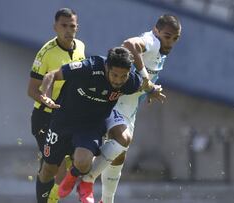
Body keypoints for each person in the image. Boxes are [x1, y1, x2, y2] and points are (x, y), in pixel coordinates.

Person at [74, 14, 182, 203]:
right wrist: (145, 78)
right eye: (167, 36)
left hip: (130, 109)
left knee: (118, 157)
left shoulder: (160, 50)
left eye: (175, 38)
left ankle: (106, 200)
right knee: (121, 141)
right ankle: (86, 179)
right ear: (156, 31)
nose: (171, 42)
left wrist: (148, 90)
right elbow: (129, 45)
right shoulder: (152, 41)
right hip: (118, 104)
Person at [36, 47, 164, 203]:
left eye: (123, 76)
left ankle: (74, 174)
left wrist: (152, 90)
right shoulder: (89, 67)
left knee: (84, 163)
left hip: (91, 125)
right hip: (64, 119)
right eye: (115, 75)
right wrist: (46, 97)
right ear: (106, 67)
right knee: (48, 170)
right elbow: (52, 75)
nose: (118, 80)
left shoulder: (130, 81)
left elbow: (144, 84)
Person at [27, 8, 85, 203]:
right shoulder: (45, 53)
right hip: (46, 118)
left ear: (77, 27)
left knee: (69, 168)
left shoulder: (81, 47)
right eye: (63, 26)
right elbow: (32, 90)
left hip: (70, 117)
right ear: (55, 27)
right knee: (52, 169)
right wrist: (47, 100)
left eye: (72, 26)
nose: (68, 30)